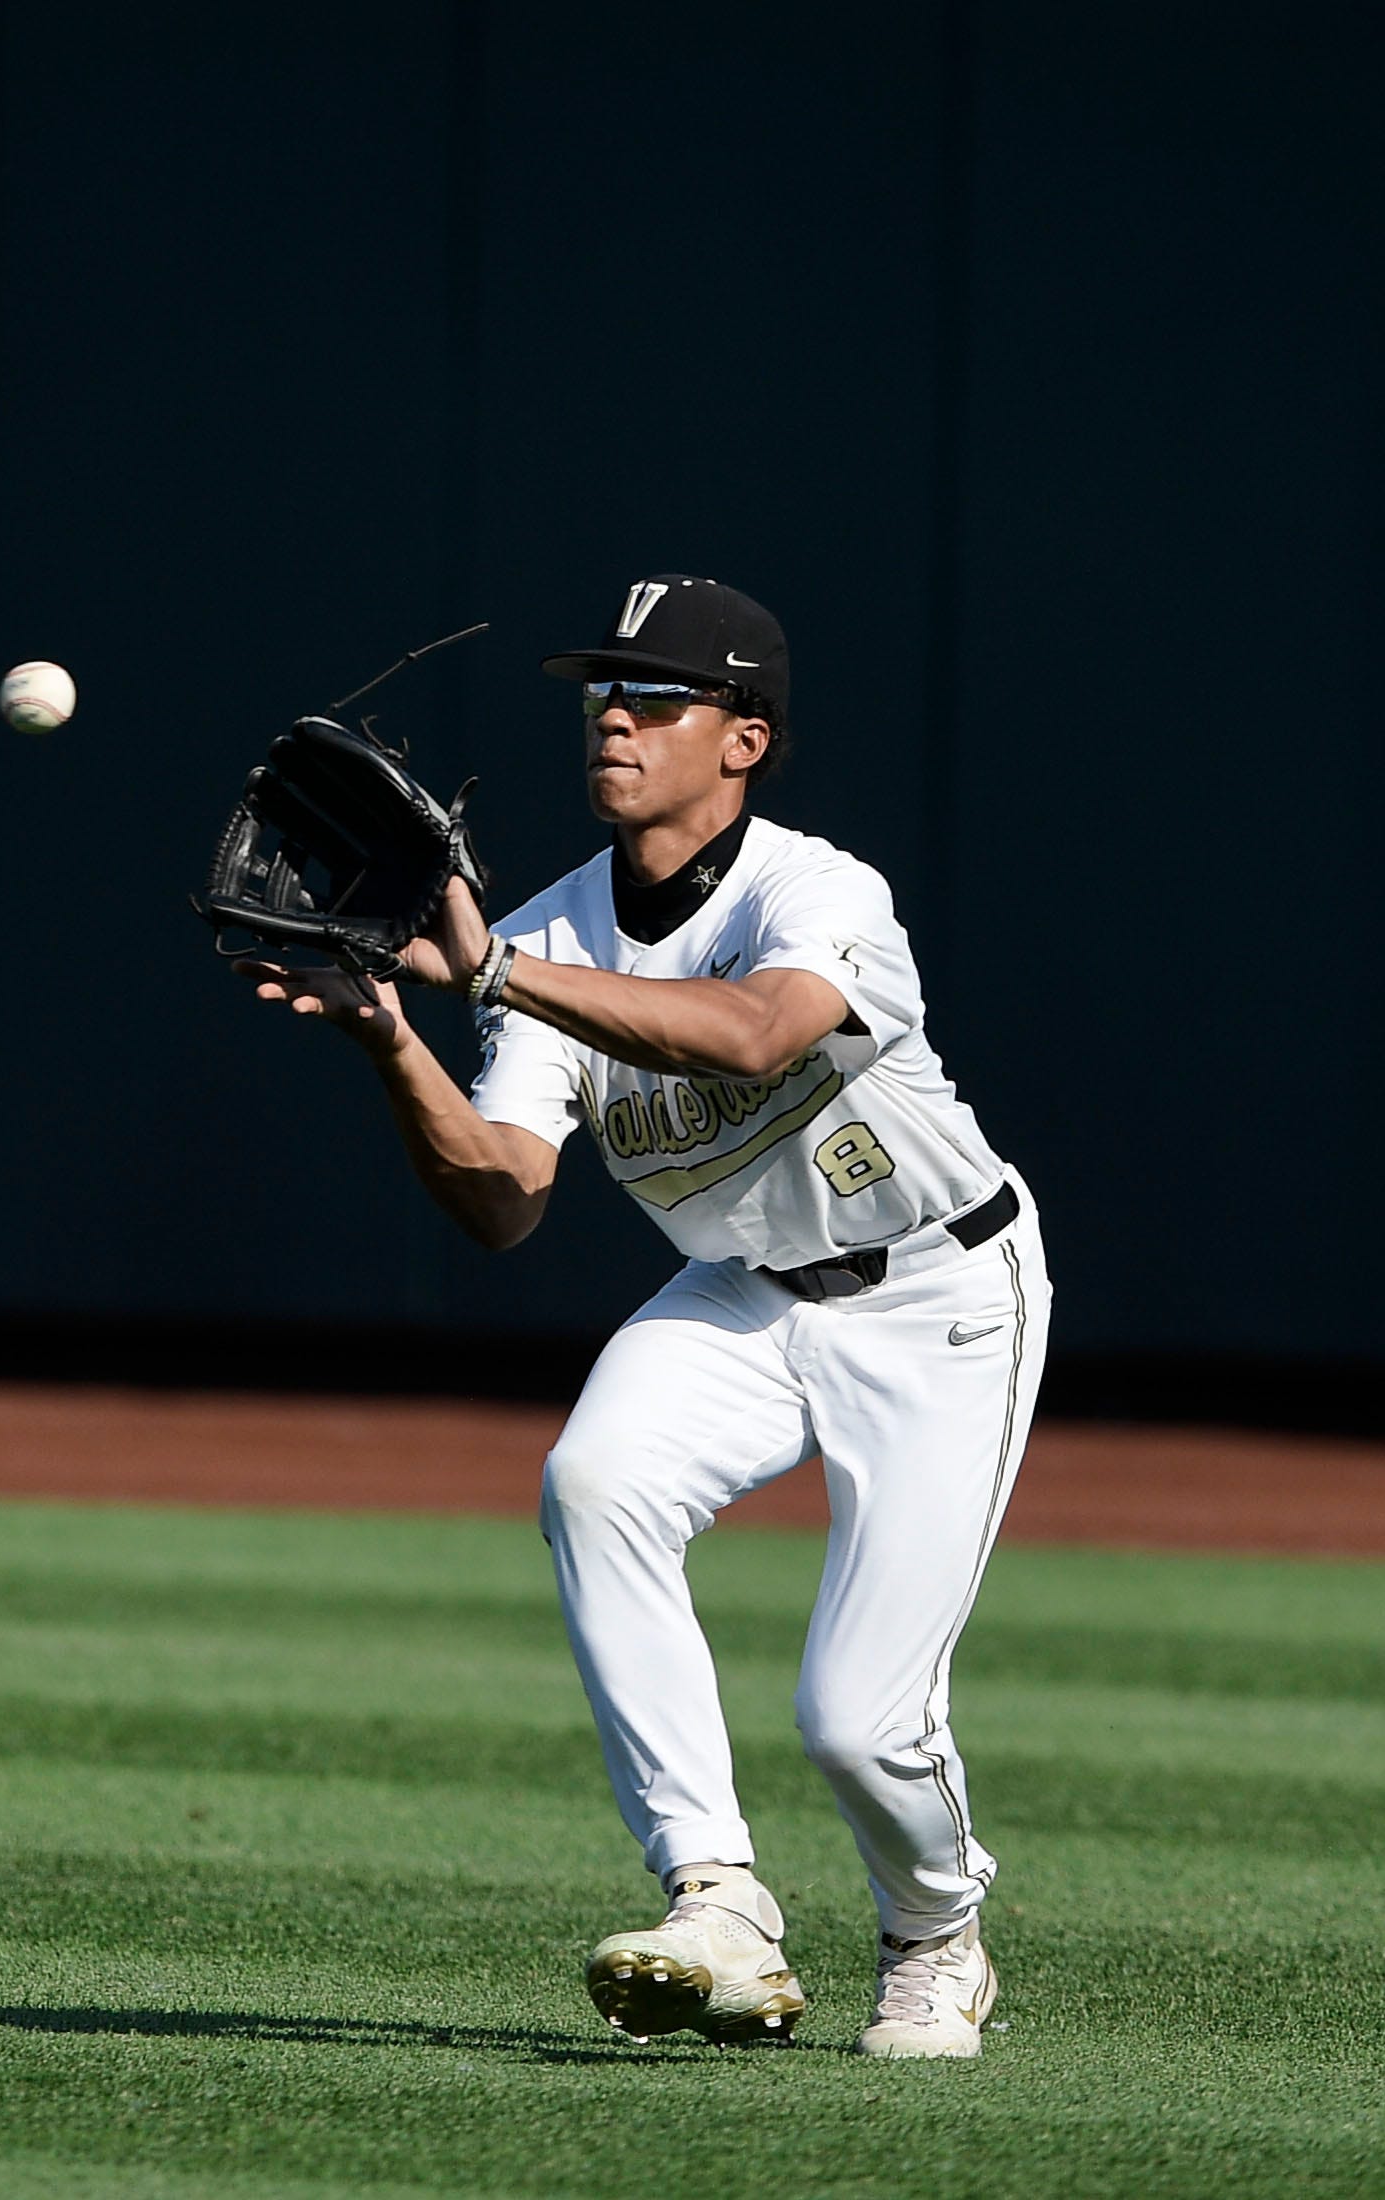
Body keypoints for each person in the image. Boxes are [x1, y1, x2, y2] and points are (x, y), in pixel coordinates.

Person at [236, 575, 1046, 2059]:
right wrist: (392, 1039)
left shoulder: (816, 891)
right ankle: (718, 1899)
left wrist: (493, 970)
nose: (615, 715)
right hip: (741, 1288)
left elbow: (754, 1034)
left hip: (940, 1290)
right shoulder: (549, 930)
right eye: (604, 691)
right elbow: (505, 1198)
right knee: (595, 1480)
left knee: (857, 1719)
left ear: (745, 739)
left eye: (658, 695)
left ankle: (936, 1933)